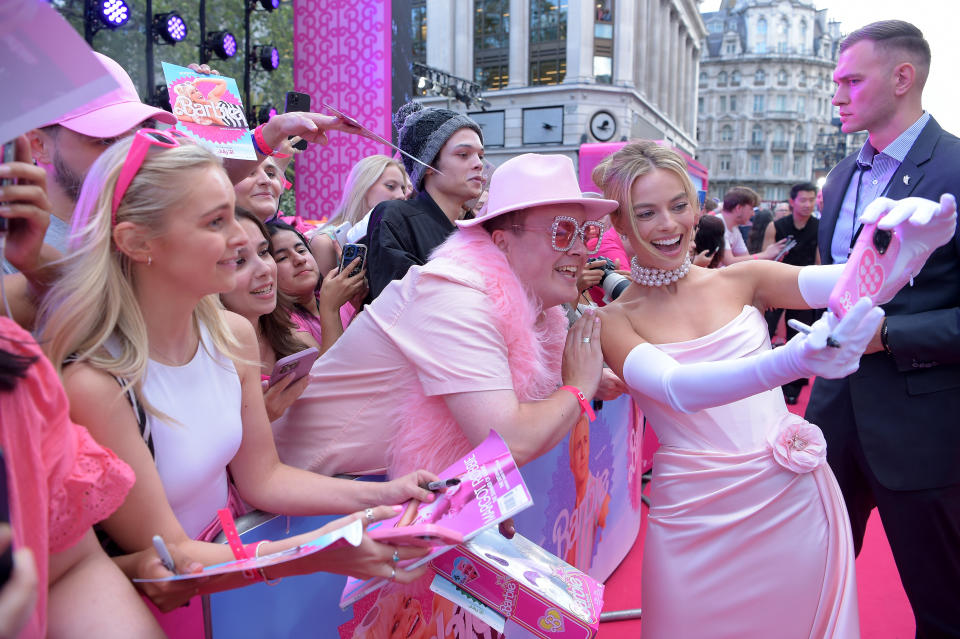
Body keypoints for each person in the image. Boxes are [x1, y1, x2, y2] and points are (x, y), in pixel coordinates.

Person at [35, 132, 440, 608]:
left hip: (233, 584)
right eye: (215, 221)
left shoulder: (233, 334)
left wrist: (384, 495)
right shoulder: (95, 383)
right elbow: (171, 556)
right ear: (137, 241)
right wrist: (317, 549)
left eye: (232, 212)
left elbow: (263, 477)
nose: (241, 236)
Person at [592, 140, 953, 638]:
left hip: (788, 503)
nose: (668, 225)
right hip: (695, 517)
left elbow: (850, 283)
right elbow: (678, 389)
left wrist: (908, 252)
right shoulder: (612, 321)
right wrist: (791, 361)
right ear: (620, 226)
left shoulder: (746, 278)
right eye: (646, 212)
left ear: (698, 207)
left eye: (679, 205)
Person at [272, 153, 611, 482]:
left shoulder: (520, 307)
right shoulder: (454, 294)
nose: (581, 249)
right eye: (563, 232)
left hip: (369, 491)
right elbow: (509, 440)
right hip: (297, 500)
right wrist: (579, 386)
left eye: (587, 233)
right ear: (502, 242)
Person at [806, 20, 960, 636]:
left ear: (903, 77)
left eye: (850, 80)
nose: (836, 94)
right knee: (813, 580)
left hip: (921, 429)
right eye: (834, 81)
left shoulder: (954, 169)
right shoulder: (841, 176)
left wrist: (890, 337)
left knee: (943, 605)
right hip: (830, 417)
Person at [365, 102, 485, 300]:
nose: (478, 164)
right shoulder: (396, 217)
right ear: (427, 164)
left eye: (481, 156)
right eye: (463, 154)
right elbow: (402, 303)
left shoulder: (476, 229)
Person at [220, 209, 312, 421]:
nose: (264, 269)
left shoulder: (294, 335)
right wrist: (258, 420)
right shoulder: (209, 362)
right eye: (239, 261)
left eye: (263, 252)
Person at [267, 219, 366, 354]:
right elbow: (328, 370)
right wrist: (330, 308)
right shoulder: (285, 324)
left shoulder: (339, 296)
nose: (300, 260)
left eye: (301, 250)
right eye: (282, 258)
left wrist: (359, 304)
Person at [763, 182, 821, 403]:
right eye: (803, 200)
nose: (807, 204)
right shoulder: (776, 226)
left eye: (811, 200)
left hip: (804, 286)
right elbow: (766, 261)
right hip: (776, 284)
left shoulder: (820, 226)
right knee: (764, 331)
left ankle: (794, 385)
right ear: (792, 201)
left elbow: (819, 261)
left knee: (800, 337)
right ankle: (762, 380)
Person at [310, 155, 410, 276]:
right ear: (364, 186)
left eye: (403, 189)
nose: (401, 195)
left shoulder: (394, 236)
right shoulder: (325, 242)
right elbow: (326, 294)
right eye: (390, 186)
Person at [715, 187, 786, 265]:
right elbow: (729, 261)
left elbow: (745, 259)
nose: (753, 213)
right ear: (738, 208)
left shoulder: (733, 228)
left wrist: (769, 257)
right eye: (751, 209)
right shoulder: (717, 224)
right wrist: (765, 255)